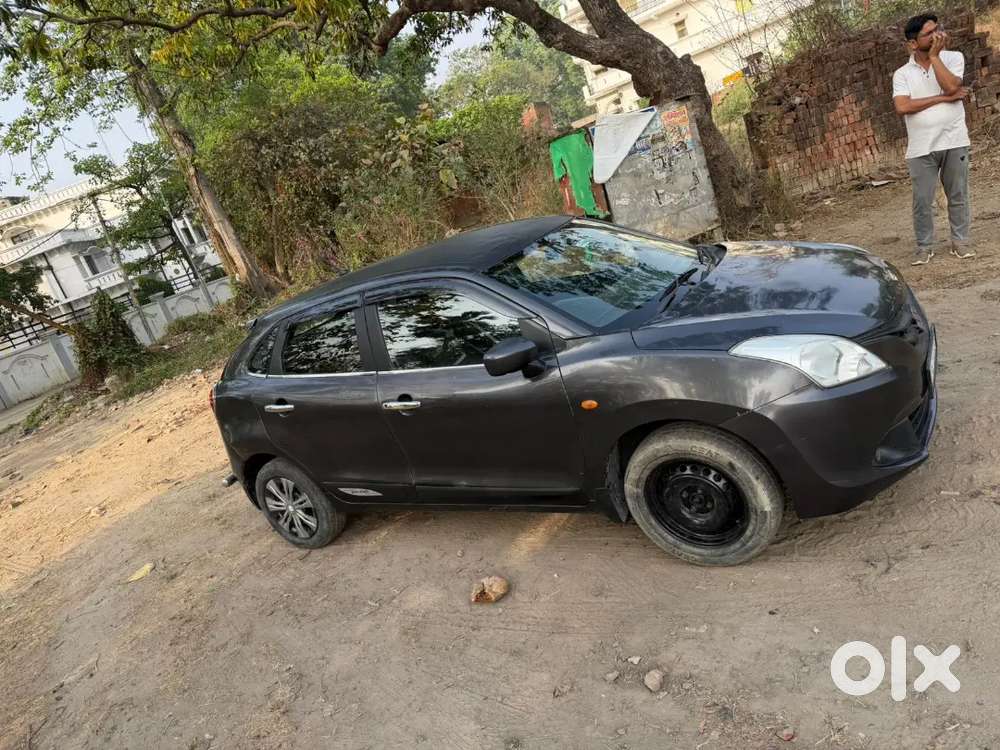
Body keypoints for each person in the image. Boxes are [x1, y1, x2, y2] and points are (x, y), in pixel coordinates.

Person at [892, 13, 975, 265]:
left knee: (958, 194)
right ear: (912, 43)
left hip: (954, 140)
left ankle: (960, 241)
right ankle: (924, 246)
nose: (937, 35)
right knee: (922, 201)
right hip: (921, 147)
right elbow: (903, 106)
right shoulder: (902, 74)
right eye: (929, 33)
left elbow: (951, 86)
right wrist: (943, 99)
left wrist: (936, 57)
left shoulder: (953, 57)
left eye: (938, 29)